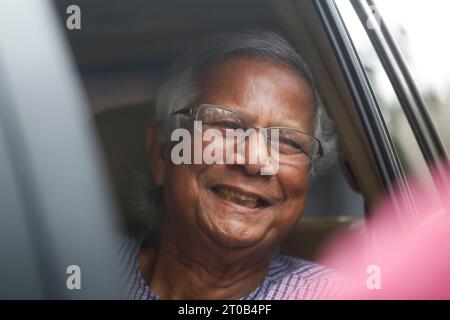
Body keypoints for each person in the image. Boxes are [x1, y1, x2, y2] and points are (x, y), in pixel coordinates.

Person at [119, 30, 341, 300]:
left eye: (289, 142)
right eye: (227, 125)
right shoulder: (76, 269)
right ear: (161, 152)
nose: (254, 160)